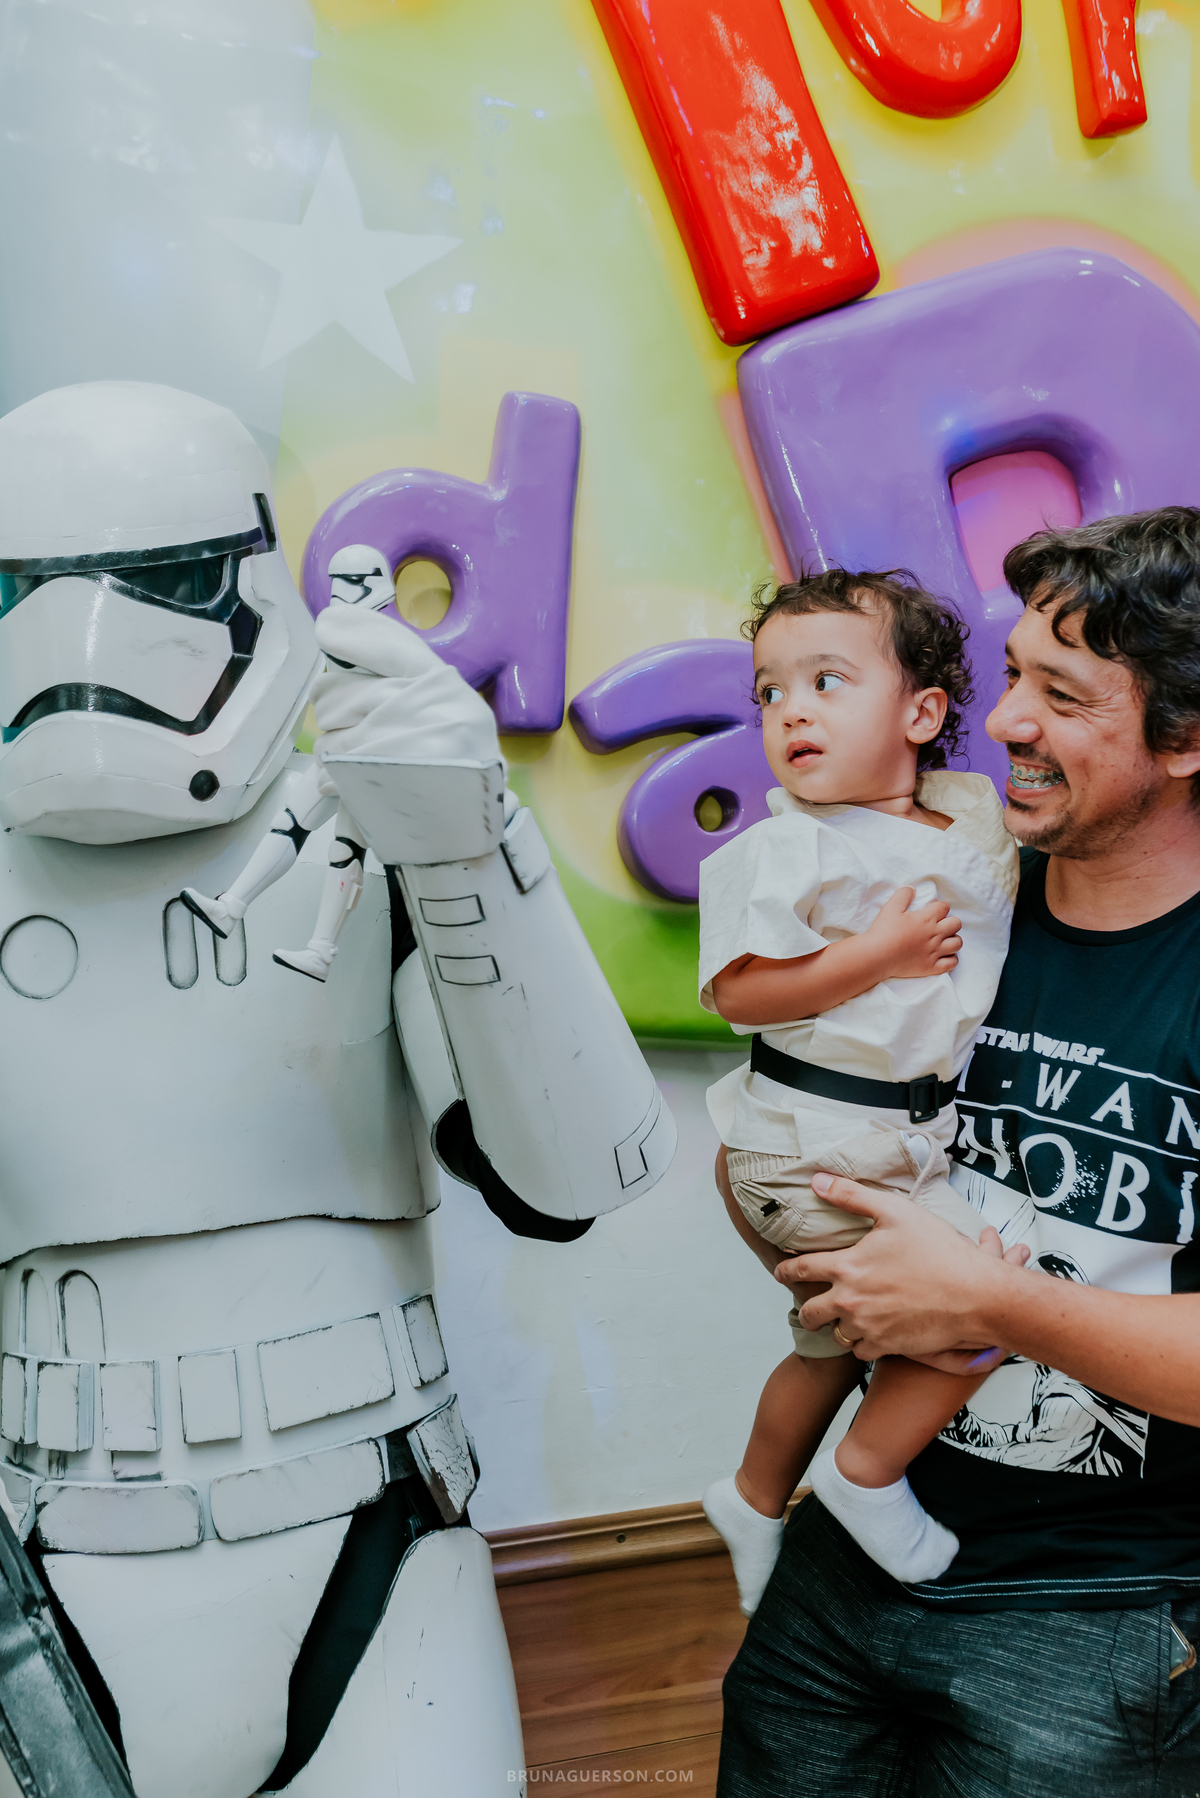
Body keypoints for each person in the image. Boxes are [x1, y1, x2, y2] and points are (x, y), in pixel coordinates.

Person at [717, 505, 1200, 1796]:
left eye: (1063, 692)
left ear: (1188, 738)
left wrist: (988, 1300)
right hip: (844, 1559)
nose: (1003, 723)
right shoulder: (943, 898)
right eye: (1013, 674)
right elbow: (767, 1126)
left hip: (1103, 1610)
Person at [698, 570, 1021, 1612]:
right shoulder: (789, 844)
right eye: (770, 691)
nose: (789, 708)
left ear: (921, 714)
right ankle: (859, 1476)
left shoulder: (957, 822)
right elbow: (741, 994)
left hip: (887, 1143)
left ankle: (752, 1497)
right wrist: (873, 955)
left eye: (827, 680)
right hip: (812, 1145)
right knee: (975, 1320)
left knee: (832, 1342)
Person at [181, 542, 399, 981]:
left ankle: (311, 946)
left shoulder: (381, 640)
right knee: (302, 831)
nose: (342, 592)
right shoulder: (358, 632)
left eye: (352, 582)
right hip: (344, 755)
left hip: (366, 759)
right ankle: (236, 910)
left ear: (373, 583)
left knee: (338, 847)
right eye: (337, 582)